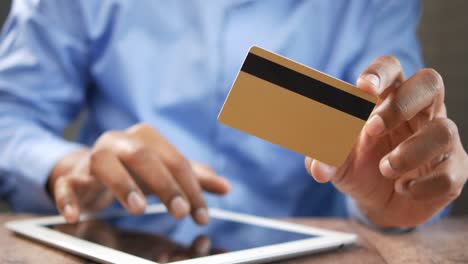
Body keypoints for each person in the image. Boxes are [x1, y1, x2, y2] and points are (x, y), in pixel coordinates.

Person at [0, 0, 467, 231]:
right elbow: (9, 116)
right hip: (120, 240)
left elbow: (398, 133)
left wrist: (394, 189)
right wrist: (66, 166)